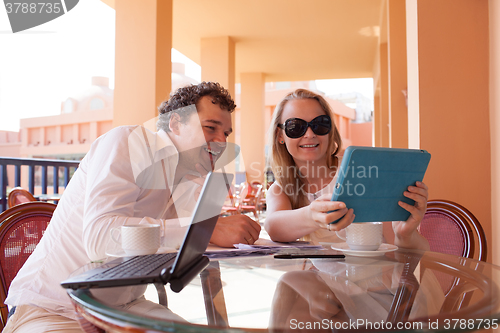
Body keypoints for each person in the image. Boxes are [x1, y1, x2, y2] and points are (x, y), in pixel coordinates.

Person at [4, 82, 261, 332]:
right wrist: (203, 229)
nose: (221, 142)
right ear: (176, 123)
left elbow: (186, 244)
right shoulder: (127, 142)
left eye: (225, 134)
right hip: (53, 307)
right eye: (210, 128)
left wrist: (213, 228)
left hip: (123, 306)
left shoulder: (188, 176)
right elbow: (101, 239)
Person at [264, 88, 429, 250]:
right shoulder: (281, 189)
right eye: (295, 126)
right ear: (280, 135)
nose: (309, 134)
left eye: (320, 124)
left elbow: (401, 254)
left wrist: (405, 236)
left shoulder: (361, 173)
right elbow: (273, 227)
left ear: (330, 131)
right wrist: (312, 215)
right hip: (315, 277)